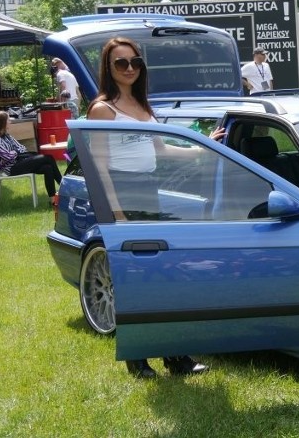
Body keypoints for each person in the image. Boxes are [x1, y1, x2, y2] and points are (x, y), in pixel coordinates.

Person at [88, 36, 211, 379]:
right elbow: (99, 166)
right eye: (120, 63)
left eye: (134, 62)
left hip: (148, 190)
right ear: (108, 68)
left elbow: (163, 150)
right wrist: (118, 213)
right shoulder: (102, 108)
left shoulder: (143, 106)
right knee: (134, 280)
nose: (129, 69)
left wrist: (204, 148)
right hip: (122, 193)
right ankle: (138, 359)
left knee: (161, 277)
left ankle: (176, 357)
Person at [0, 110, 63, 206]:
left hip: (19, 162)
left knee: (47, 167)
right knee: (48, 158)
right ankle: (64, 186)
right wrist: (16, 152)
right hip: (11, 168)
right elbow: (7, 157)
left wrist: (15, 152)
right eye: (8, 120)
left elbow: (22, 148)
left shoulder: (7, 136)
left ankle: (53, 201)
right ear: (2, 122)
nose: (10, 122)